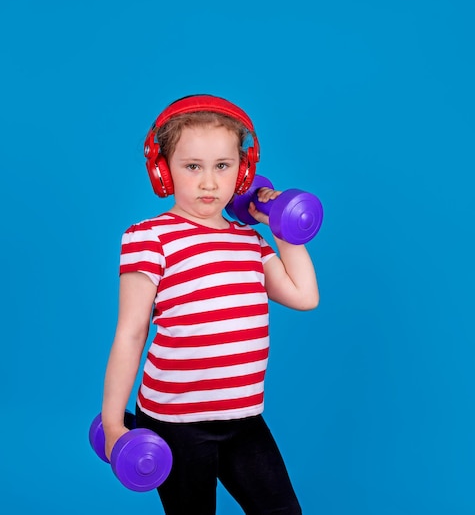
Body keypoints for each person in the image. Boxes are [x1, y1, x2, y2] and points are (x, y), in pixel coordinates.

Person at [100, 94, 319, 514]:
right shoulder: (150, 238)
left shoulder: (250, 243)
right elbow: (130, 332)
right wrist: (113, 423)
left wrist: (280, 221)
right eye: (192, 166)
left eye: (222, 166)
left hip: (244, 420)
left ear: (243, 172)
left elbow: (304, 296)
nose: (208, 182)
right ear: (163, 172)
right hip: (174, 423)